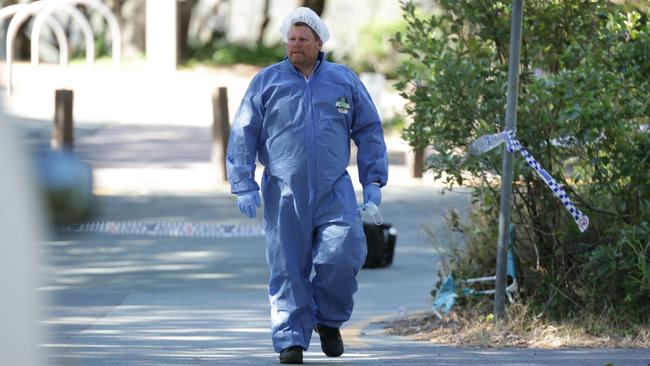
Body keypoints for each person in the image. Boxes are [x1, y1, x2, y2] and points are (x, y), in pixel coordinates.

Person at [226, 7, 388, 364]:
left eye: (302, 39)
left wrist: (373, 181)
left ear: (319, 42)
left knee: (344, 253)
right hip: (284, 191)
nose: (295, 45)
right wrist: (243, 183)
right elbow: (243, 131)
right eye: (291, 38)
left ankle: (328, 321)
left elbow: (369, 130)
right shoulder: (267, 82)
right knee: (287, 265)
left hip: (334, 189)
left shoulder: (343, 80)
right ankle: (290, 340)